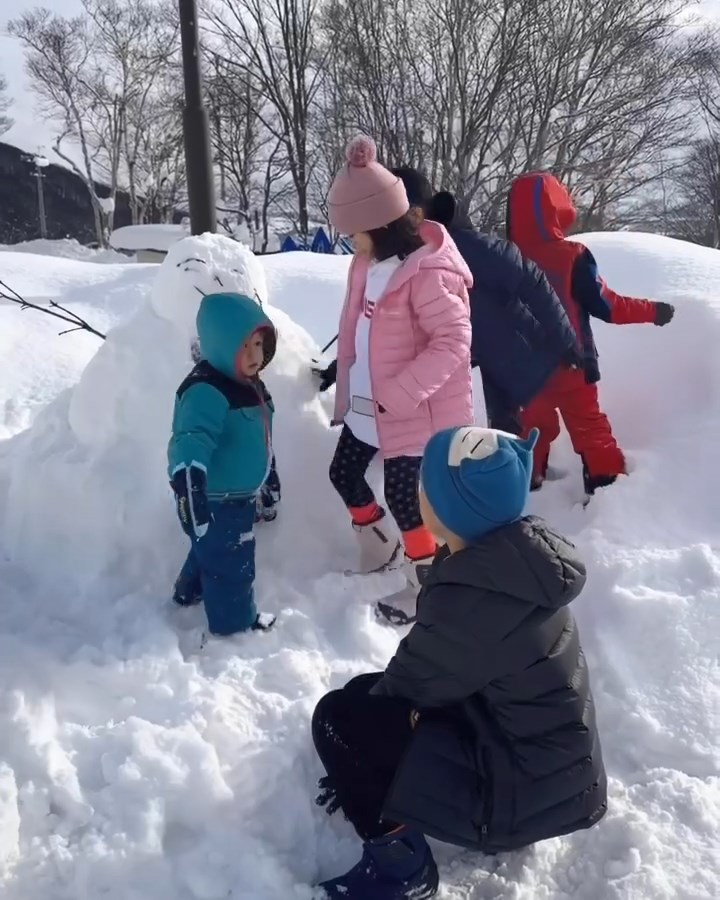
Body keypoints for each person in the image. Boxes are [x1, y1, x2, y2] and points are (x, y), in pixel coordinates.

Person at [311, 425, 607, 899]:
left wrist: (359, 765)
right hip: (545, 771)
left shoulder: (474, 598)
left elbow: (406, 687)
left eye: (426, 485)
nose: (417, 491)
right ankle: (378, 786)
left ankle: (401, 870)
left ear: (453, 510)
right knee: (362, 695)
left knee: (338, 720)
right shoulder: (511, 560)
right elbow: (432, 675)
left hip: (521, 796)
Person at [313, 170, 581, 437]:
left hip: (523, 353)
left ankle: (598, 475)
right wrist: (340, 369)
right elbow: (380, 330)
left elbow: (531, 280)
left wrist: (566, 340)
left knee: (546, 433)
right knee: (505, 439)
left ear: (414, 214)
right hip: (482, 364)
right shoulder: (403, 261)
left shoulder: (467, 247)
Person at [322, 135, 473, 606]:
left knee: (408, 502)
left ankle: (427, 588)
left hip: (413, 411)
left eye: (353, 231)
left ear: (377, 224)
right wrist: (339, 370)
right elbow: (363, 329)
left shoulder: (426, 272)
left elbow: (453, 340)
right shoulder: (367, 265)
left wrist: (404, 393)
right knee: (343, 473)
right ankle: (381, 546)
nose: (350, 241)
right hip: (370, 407)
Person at [507, 172, 675, 493]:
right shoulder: (573, 256)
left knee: (531, 430)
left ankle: (526, 485)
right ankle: (606, 484)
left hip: (527, 370)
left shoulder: (506, 257)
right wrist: (654, 310)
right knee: (590, 427)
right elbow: (608, 306)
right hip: (573, 365)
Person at [168, 291, 278, 635]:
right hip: (217, 497)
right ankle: (234, 627)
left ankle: (190, 590)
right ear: (218, 344)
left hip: (237, 494)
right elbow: (191, 439)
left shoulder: (246, 383)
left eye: (259, 344)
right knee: (232, 563)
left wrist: (269, 478)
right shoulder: (207, 390)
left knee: (212, 548)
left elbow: (259, 436)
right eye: (243, 346)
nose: (254, 355)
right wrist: (189, 484)